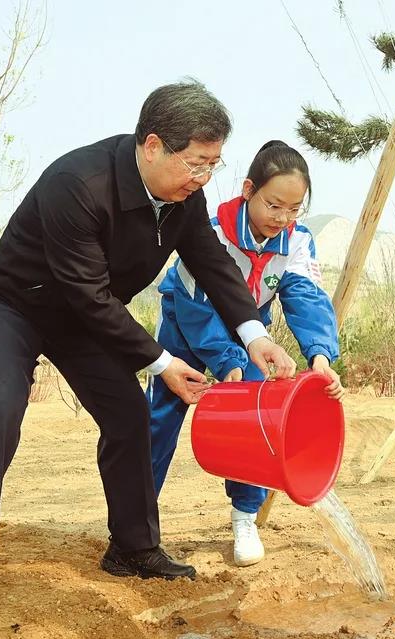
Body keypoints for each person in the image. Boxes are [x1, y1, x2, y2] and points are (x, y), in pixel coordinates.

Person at [0, 81, 297, 629]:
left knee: (127, 414)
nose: (203, 177)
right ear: (152, 146)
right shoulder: (78, 183)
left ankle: (133, 548)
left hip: (85, 316)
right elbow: (89, 295)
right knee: (0, 408)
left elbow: (211, 262)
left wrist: (254, 333)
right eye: (195, 163)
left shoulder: (184, 197)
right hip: (16, 305)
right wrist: (163, 363)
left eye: (213, 165)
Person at [147, 140, 343, 567]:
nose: (283, 218)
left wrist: (320, 356)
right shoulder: (210, 231)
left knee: (256, 420)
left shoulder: (297, 242)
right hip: (186, 324)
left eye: (294, 209)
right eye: (274, 205)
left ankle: (244, 517)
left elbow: (306, 298)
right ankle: (139, 524)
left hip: (250, 334)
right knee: (160, 415)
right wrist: (226, 361)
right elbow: (197, 308)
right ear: (249, 188)